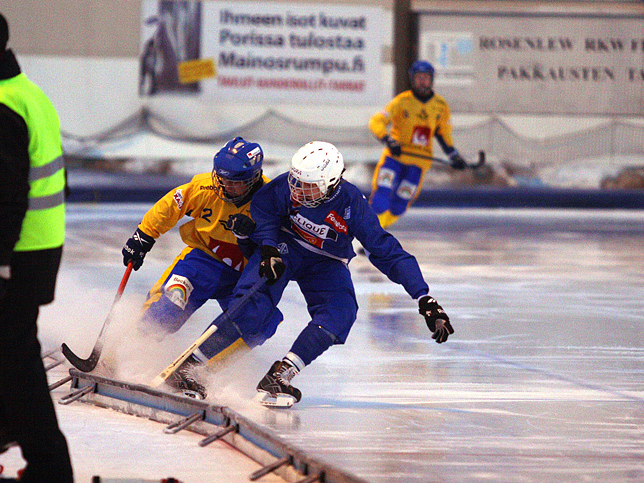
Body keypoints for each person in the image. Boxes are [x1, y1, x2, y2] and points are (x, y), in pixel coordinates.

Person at [169, 141, 454, 407]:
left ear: (331, 185)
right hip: (284, 248)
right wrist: (267, 247)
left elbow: (386, 250)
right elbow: (264, 208)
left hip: (325, 261)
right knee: (253, 305)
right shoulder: (286, 188)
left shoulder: (352, 204)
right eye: (295, 182)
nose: (297, 191)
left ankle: (281, 375)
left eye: (308, 187)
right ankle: (190, 366)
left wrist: (423, 296)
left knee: (341, 312)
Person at [121, 137, 279, 398]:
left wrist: (257, 237)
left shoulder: (270, 201)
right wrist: (144, 236)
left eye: (236, 182)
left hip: (244, 276)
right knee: (170, 304)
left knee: (261, 322)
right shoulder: (204, 187)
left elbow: (282, 240)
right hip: (201, 261)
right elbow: (171, 204)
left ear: (254, 178)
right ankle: (124, 348)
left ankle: (197, 370)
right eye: (222, 178)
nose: (226, 186)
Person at [0, 11, 74, 482]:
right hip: (37, 251)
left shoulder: (5, 103)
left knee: (16, 359)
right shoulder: (28, 94)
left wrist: (0, 265)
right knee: (10, 354)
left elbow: (7, 194)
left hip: (16, 255)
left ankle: (49, 467)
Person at [368, 60, 467, 229]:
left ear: (432, 80)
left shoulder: (440, 106)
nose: (422, 81)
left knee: (400, 204)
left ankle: (377, 233)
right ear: (412, 79)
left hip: (418, 164)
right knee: (381, 197)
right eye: (419, 77)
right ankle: (369, 235)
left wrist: (454, 155)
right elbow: (376, 121)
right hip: (394, 158)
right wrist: (388, 139)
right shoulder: (401, 101)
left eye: (426, 78)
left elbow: (444, 134)